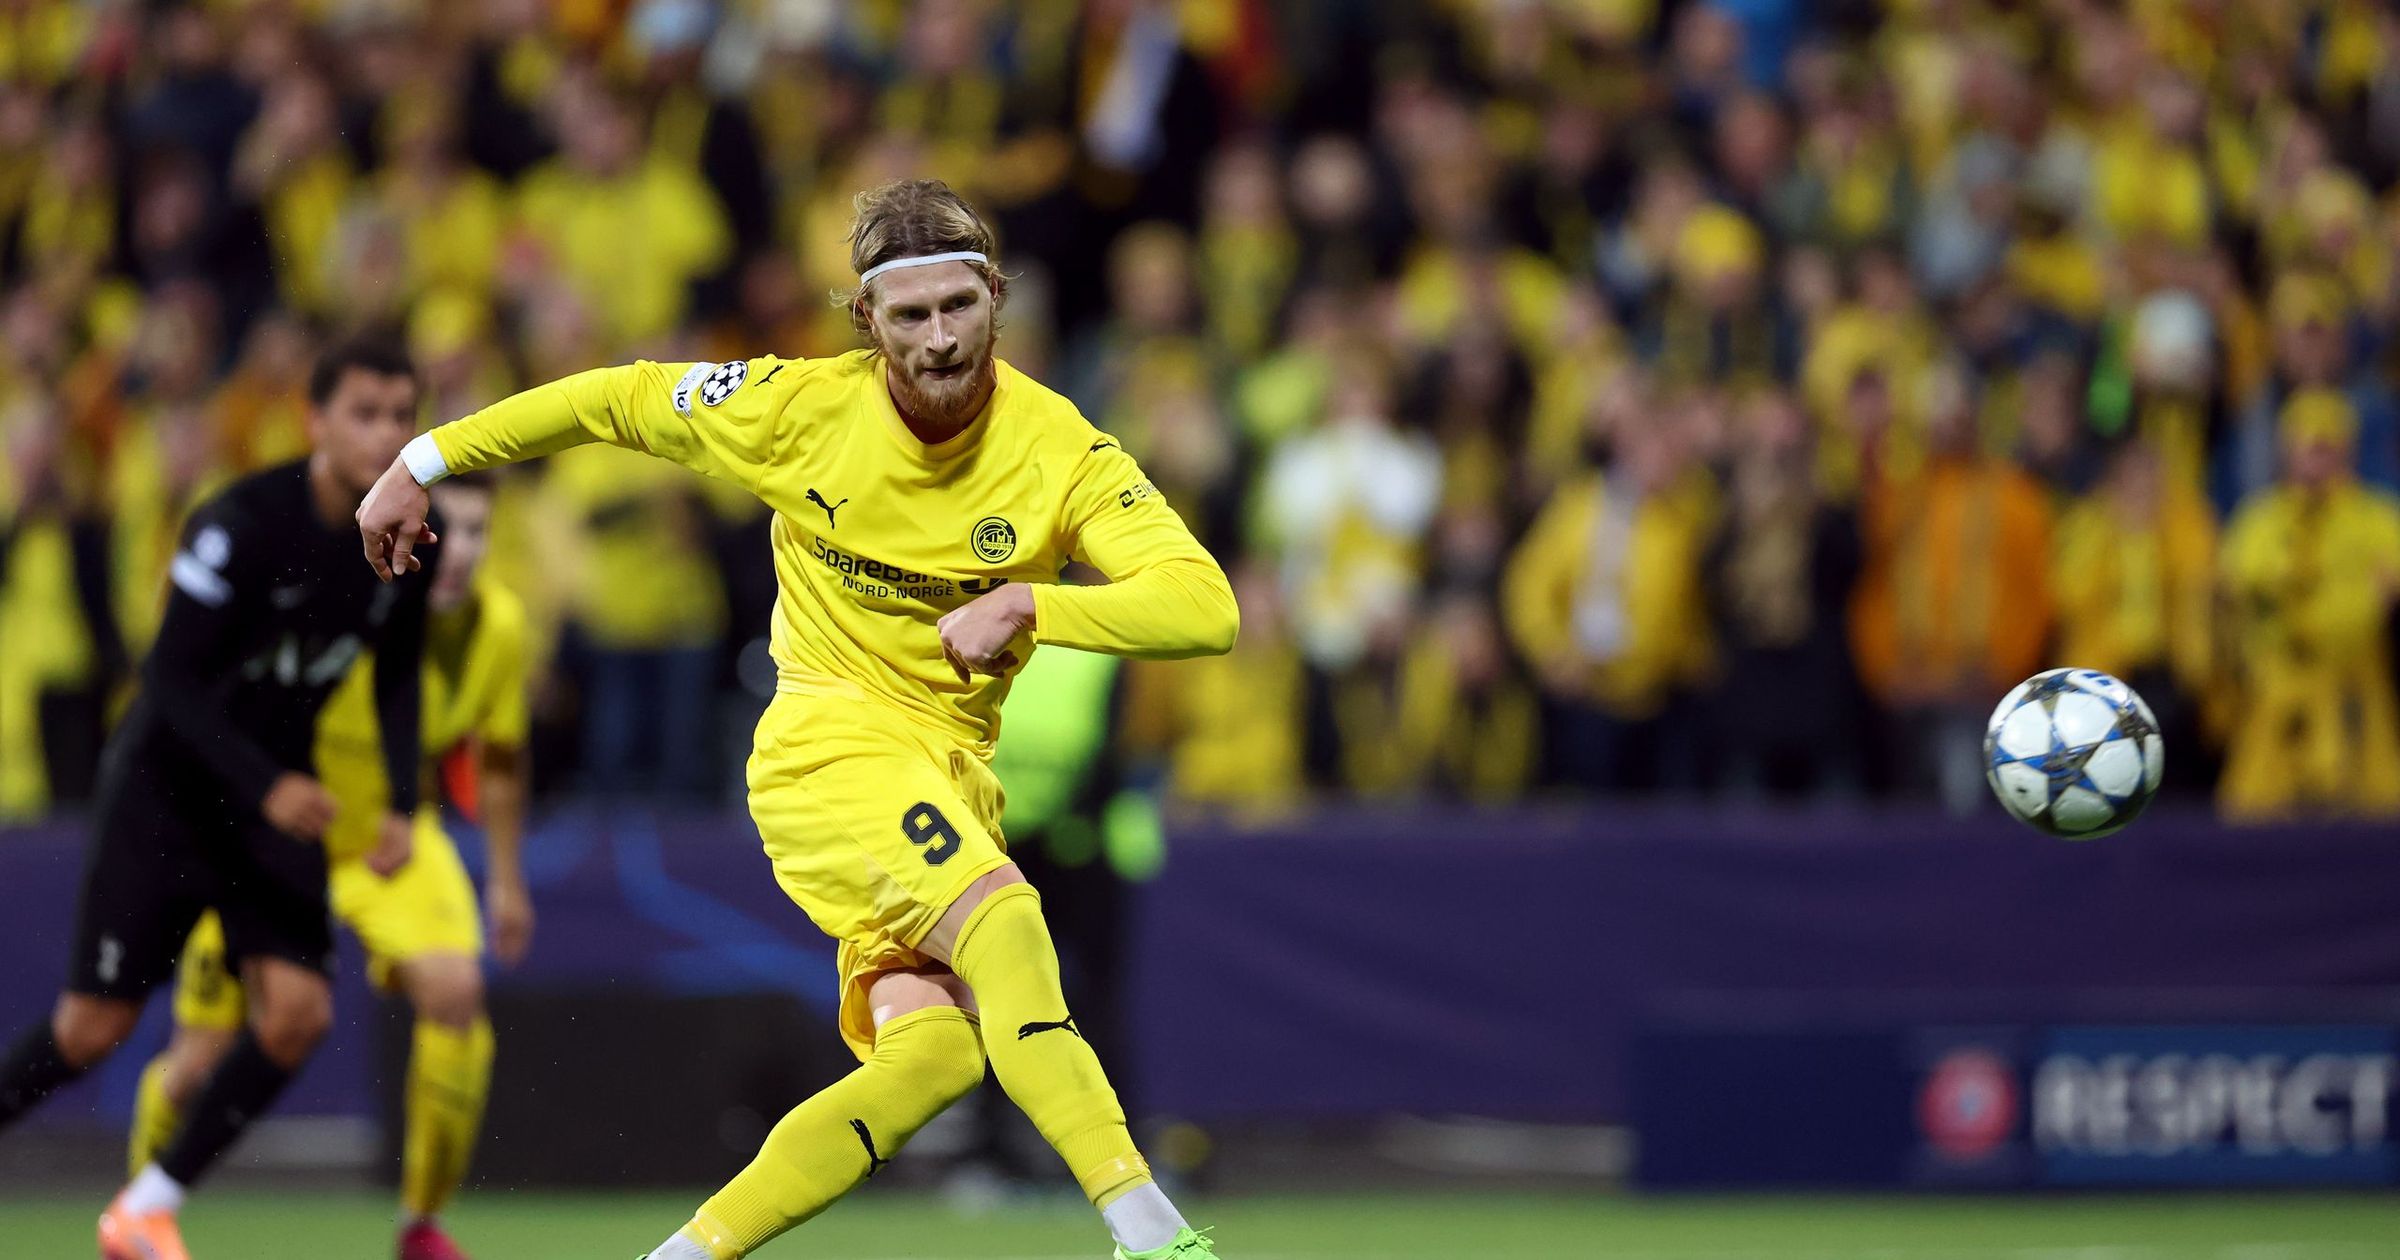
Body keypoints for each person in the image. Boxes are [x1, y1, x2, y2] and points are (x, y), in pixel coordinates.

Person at [356, 179, 1237, 1260]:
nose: (940, 337)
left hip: (950, 773)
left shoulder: (1060, 448)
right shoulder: (793, 410)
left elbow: (1208, 607)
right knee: (1009, 925)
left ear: (996, 298)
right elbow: (610, 400)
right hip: (826, 750)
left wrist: (1033, 601)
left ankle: (683, 1256)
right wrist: (420, 460)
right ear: (866, 322)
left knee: (938, 1059)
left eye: (959, 306)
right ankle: (1150, 1233)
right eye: (908, 316)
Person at [0, 338, 437, 1260]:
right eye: (365, 412)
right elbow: (168, 678)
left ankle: (142, 1209)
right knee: (91, 1029)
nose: (389, 432)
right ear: (314, 421)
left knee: (298, 1014)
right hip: (170, 792)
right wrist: (269, 781)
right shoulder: (241, 522)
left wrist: (401, 799)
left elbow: (397, 676)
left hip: (272, 805)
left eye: (403, 414)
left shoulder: (407, 538)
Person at [128, 472, 531, 1260]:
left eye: (479, 533)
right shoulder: (347, 592)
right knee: (194, 1068)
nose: (458, 554)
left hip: (391, 839)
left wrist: (509, 881)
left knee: (455, 990)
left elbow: (503, 759)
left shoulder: (502, 627)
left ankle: (421, 1225)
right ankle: (136, 1219)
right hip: (271, 833)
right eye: (446, 531)